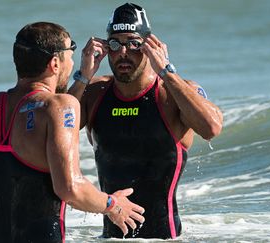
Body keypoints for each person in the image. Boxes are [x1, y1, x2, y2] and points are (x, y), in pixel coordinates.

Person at [0, 22, 145, 243]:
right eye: (70, 53)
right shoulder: (61, 106)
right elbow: (70, 188)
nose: (73, 60)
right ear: (55, 62)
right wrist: (112, 205)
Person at [68, 3, 223, 239]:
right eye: (114, 43)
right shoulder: (94, 93)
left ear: (150, 46)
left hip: (164, 238)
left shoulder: (173, 94)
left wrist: (167, 71)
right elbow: (53, 130)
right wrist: (82, 77)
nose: (123, 53)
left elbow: (211, 127)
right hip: (109, 238)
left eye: (133, 43)